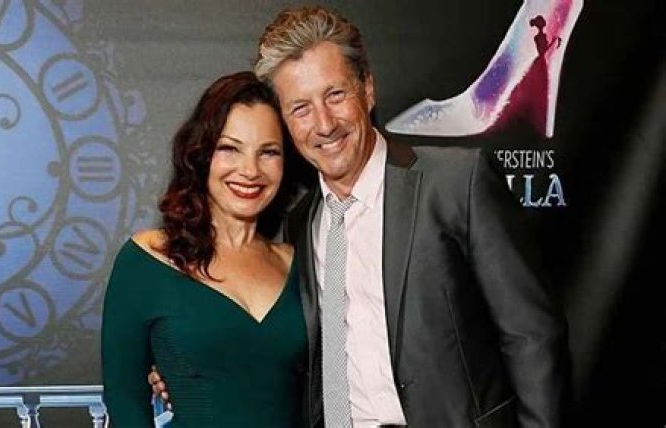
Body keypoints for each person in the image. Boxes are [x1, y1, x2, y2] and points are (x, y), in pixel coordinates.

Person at [152, 6, 570, 427]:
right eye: (300, 108)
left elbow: (532, 336)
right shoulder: (298, 225)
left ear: (367, 89)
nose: (324, 124)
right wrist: (182, 368)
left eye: (335, 95)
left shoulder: (456, 184)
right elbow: (280, 352)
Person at [102, 71, 308, 427]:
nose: (250, 170)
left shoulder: (301, 265)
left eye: (268, 152)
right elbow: (125, 399)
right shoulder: (147, 259)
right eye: (229, 148)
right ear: (201, 154)